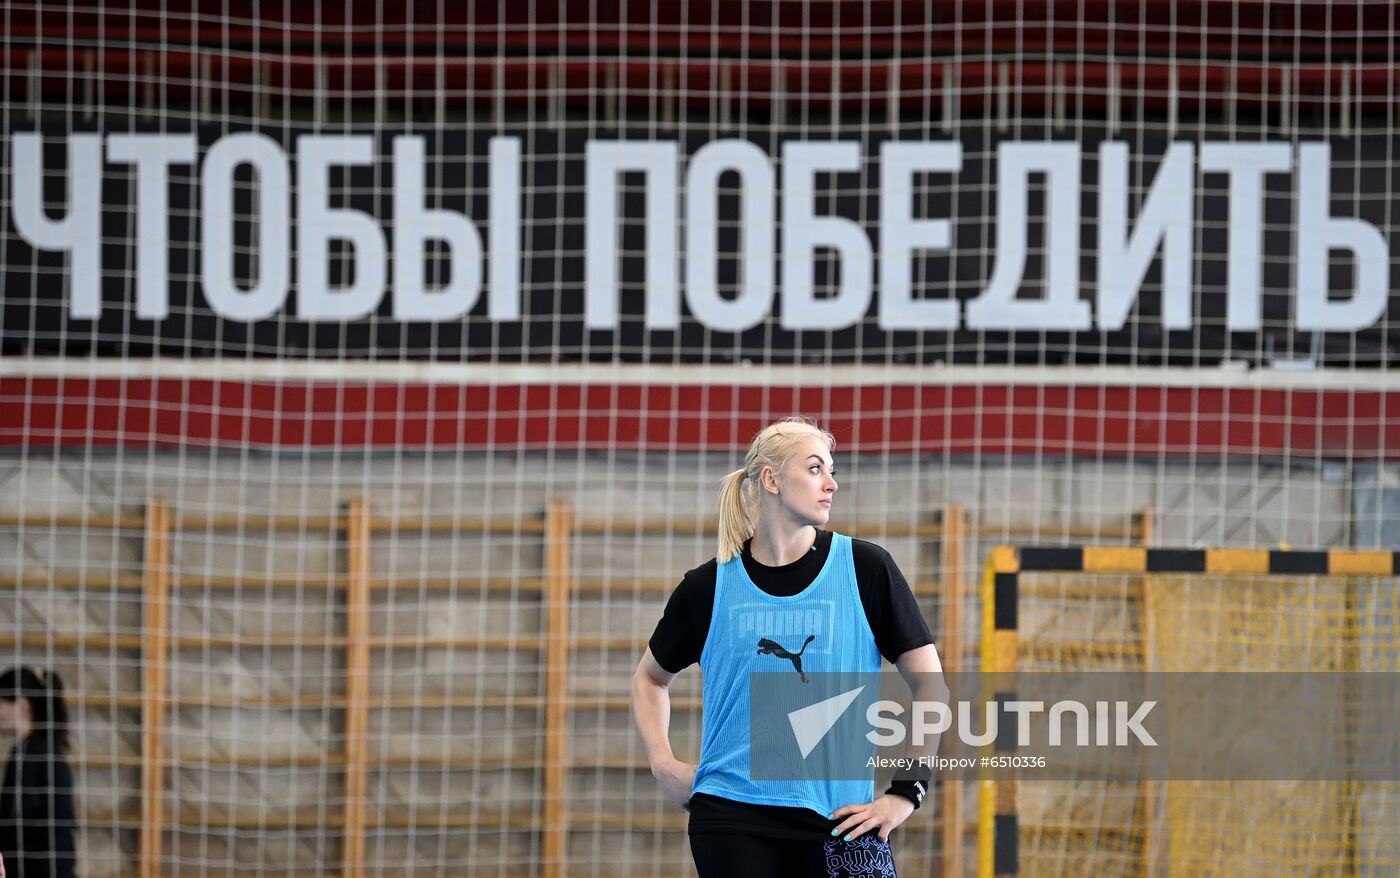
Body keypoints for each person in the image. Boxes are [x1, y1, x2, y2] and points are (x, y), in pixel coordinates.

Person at [632, 417, 946, 877]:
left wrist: (905, 793)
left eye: (831, 469)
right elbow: (649, 678)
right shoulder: (707, 588)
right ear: (771, 479)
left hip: (839, 821)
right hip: (731, 819)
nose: (832, 483)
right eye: (816, 468)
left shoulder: (866, 569)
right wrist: (662, 763)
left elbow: (932, 688)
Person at [0, 667, 77, 878]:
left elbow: (15, 822)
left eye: (0, 703)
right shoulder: (48, 748)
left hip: (37, 869)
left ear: (22, 704)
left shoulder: (29, 753)